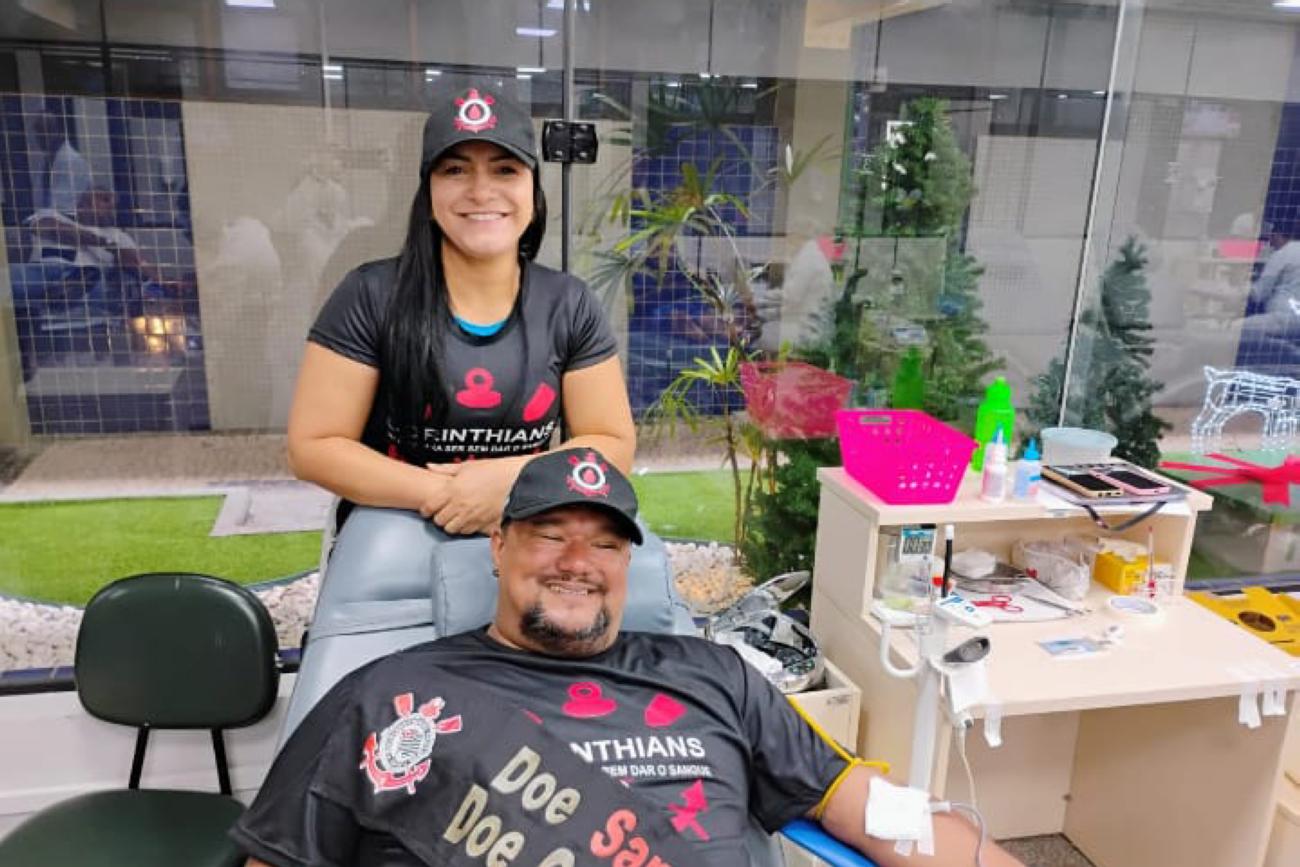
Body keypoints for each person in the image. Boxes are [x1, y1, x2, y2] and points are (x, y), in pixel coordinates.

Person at [233, 448, 1023, 867]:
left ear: (628, 563)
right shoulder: (394, 694)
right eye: (550, 534)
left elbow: (874, 811)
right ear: (499, 545)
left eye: (605, 543)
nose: (577, 561)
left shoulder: (717, 675)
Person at [287, 81, 635, 535]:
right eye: (455, 170)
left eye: (505, 170)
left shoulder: (569, 304)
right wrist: (454, 495)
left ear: (533, 191)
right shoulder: (369, 295)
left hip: (525, 535)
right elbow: (313, 446)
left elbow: (613, 442)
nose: (480, 191)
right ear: (428, 194)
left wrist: (509, 483)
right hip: (390, 536)